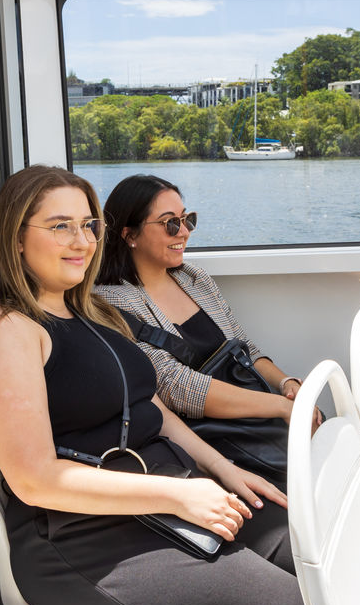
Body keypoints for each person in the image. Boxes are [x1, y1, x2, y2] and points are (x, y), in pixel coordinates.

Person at [0, 165, 360, 605]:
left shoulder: (87, 311)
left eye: (89, 225)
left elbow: (156, 410)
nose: (81, 240)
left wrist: (226, 470)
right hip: (85, 541)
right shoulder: (1, 331)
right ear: (15, 237)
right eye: (60, 226)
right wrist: (180, 492)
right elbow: (36, 481)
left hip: (164, 496)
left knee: (323, 560)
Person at [95, 174, 315, 440]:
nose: (185, 232)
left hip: (252, 415)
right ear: (130, 235)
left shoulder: (195, 278)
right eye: (170, 224)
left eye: (187, 219)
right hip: (207, 434)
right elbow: (175, 386)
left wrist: (286, 385)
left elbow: (243, 346)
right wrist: (280, 408)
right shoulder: (113, 301)